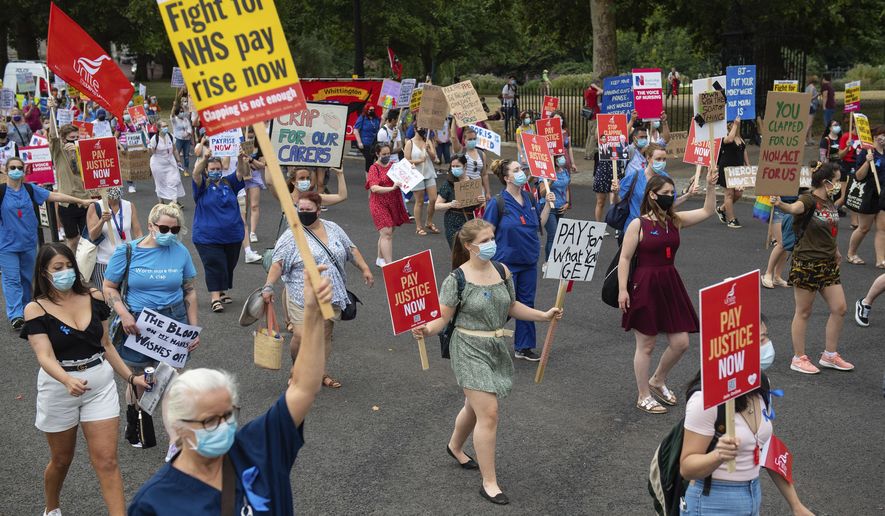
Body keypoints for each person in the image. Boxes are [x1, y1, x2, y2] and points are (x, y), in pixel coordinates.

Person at [128, 272, 333, 515]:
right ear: (179, 427)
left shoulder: (259, 444)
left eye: (228, 414)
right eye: (211, 420)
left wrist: (312, 311)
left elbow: (303, 387)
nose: (225, 426)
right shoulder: (154, 504)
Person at [411, 218, 562, 505]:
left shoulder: (503, 270)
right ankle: (489, 482)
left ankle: (455, 446)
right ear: (468, 246)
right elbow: (442, 317)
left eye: (492, 237)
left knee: (474, 404)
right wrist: (426, 330)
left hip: (494, 346)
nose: (491, 243)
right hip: (467, 347)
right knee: (489, 412)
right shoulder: (456, 279)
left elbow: (512, 305)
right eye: (484, 240)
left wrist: (543, 315)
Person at [21, 243, 151, 516]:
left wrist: (130, 377)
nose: (65, 272)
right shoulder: (35, 309)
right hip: (58, 388)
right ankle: (52, 508)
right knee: (61, 459)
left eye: (69, 266)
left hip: (99, 383)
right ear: (44, 273)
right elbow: (44, 356)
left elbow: (106, 344)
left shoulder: (94, 297)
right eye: (58, 268)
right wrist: (66, 380)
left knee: (107, 461)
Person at [618, 170, 718, 414]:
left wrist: (712, 186)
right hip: (645, 283)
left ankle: (658, 379)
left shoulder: (675, 220)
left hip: (670, 282)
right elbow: (625, 257)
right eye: (665, 193)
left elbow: (707, 211)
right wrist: (623, 290)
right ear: (652, 195)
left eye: (672, 193)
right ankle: (643, 395)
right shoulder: (638, 224)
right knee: (647, 345)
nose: (670, 197)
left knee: (681, 342)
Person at [263, 191, 373, 389]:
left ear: (319, 211)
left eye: (308, 209)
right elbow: (278, 263)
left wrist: (365, 268)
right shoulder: (291, 236)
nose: (303, 212)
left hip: (329, 293)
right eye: (300, 209)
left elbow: (351, 249)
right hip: (300, 294)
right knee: (301, 335)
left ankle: (320, 372)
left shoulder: (333, 228)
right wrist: (268, 286)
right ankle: (296, 370)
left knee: (324, 335)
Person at [680, 372, 814, 516]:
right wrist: (718, 455)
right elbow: (686, 468)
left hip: (753, 493)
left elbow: (766, 448)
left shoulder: (761, 384)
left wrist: (796, 505)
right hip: (712, 503)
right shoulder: (705, 399)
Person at [771, 162, 854, 374]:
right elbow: (794, 209)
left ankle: (830, 355)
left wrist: (835, 250)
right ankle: (798, 358)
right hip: (806, 263)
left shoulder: (830, 201)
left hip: (828, 263)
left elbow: (830, 229)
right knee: (804, 311)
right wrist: (781, 204)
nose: (838, 184)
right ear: (825, 182)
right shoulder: (808, 199)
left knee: (840, 308)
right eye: (836, 181)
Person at [103, 203, 199, 372]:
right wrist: (124, 315)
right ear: (150, 226)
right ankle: (136, 400)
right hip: (138, 321)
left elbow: (189, 291)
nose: (169, 234)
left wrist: (193, 330)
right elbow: (109, 287)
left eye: (174, 230)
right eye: (163, 228)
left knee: (170, 376)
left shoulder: (181, 251)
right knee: (140, 376)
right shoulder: (127, 251)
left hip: (173, 319)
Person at [1, 157, 91, 329]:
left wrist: (80, 201)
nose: (16, 170)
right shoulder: (2, 191)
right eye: (12, 167)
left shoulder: (29, 189)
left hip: (28, 243)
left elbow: (54, 196)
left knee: (27, 279)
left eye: (19, 167)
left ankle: (27, 309)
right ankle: (16, 315)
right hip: (6, 246)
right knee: (11, 279)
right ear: (6, 170)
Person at [483, 159, 556, 361]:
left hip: (529, 261)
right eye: (516, 170)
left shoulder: (529, 198)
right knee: (503, 304)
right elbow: (486, 233)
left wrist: (548, 206)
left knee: (526, 303)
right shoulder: (497, 203)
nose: (522, 172)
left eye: (522, 169)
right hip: (505, 264)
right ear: (506, 178)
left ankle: (523, 346)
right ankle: (486, 340)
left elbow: (538, 224)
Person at [191, 145, 246, 314]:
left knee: (228, 265)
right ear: (207, 170)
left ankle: (222, 291)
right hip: (207, 237)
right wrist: (205, 158)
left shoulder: (229, 183)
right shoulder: (202, 186)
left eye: (218, 168)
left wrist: (241, 159)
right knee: (214, 264)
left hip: (233, 235)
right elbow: (195, 173)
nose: (215, 171)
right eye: (212, 169)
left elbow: (241, 173)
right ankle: (215, 297)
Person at [615, 143, 692, 241]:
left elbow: (670, 204)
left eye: (664, 159)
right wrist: (615, 193)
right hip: (634, 230)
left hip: (656, 231)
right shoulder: (634, 177)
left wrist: (688, 195)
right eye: (658, 159)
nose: (662, 162)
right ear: (648, 158)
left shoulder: (666, 179)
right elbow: (618, 201)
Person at [48, 97, 89, 251]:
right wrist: (51, 110)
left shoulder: (83, 151)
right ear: (64, 139)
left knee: (88, 240)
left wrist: (79, 151)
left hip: (84, 200)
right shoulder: (58, 152)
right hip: (67, 202)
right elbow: (53, 136)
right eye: (72, 139)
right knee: (72, 240)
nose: (75, 141)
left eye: (77, 138)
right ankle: (72, 266)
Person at [84, 187, 144, 286]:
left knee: (126, 295)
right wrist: (102, 221)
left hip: (126, 260)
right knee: (105, 297)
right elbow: (93, 236)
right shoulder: (95, 206)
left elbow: (138, 233)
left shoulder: (129, 206)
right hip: (104, 262)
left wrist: (140, 253)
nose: (115, 189)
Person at [366, 143, 410, 265]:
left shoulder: (394, 166)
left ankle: (380, 259)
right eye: (384, 154)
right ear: (377, 154)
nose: (387, 156)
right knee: (387, 233)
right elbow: (374, 188)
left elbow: (407, 177)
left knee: (386, 232)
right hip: (378, 204)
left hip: (393, 203)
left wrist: (411, 171)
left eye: (388, 154)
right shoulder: (373, 169)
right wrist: (391, 188)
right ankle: (389, 264)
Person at [848, 127, 885, 268]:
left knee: (882, 228)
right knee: (864, 227)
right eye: (882, 135)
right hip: (869, 194)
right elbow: (858, 176)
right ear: (875, 137)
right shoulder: (867, 151)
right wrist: (867, 161)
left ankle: (880, 260)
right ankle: (851, 253)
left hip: (882, 194)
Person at [435, 155, 486, 248]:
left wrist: (481, 201)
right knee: (457, 250)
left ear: (465, 166)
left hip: (470, 222)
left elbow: (480, 206)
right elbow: (437, 206)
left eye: (457, 166)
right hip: (452, 222)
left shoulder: (473, 183)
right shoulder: (448, 184)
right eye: (452, 166)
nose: (454, 169)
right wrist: (450, 204)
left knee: (470, 250)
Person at [404, 127, 439, 236]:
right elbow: (406, 160)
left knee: (433, 199)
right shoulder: (410, 143)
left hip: (429, 173)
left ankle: (429, 222)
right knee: (419, 201)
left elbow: (434, 158)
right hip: (416, 175)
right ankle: (419, 227)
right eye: (420, 127)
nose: (423, 129)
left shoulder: (428, 140)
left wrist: (429, 150)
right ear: (415, 129)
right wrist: (419, 161)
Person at [715, 117, 749, 228]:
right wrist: (734, 124)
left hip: (738, 170)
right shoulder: (724, 137)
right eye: (730, 124)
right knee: (729, 194)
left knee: (738, 193)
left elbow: (743, 151)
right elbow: (730, 140)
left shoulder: (739, 137)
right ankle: (731, 219)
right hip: (727, 169)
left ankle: (721, 209)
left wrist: (747, 165)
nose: (734, 125)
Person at [539, 154, 571, 264]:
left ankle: (556, 261)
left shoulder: (565, 171)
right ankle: (548, 263)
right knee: (553, 235)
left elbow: (566, 189)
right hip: (548, 208)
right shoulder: (545, 172)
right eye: (559, 157)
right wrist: (551, 180)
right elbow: (542, 193)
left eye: (562, 156)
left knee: (559, 236)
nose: (562, 158)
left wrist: (567, 203)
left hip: (561, 208)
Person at [149, 119, 185, 206]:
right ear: (158, 128)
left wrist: (178, 160)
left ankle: (174, 201)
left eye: (166, 126)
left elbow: (175, 149)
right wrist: (150, 148)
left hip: (170, 162)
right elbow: (152, 153)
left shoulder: (170, 136)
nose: (166, 128)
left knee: (174, 180)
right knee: (160, 182)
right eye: (163, 126)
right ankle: (161, 201)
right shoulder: (154, 139)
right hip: (158, 163)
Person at [451, 126, 492, 198]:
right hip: (463, 188)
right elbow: (454, 138)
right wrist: (454, 120)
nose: (472, 141)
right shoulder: (461, 151)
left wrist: (487, 192)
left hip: (478, 189)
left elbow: (484, 174)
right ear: (464, 140)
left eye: (474, 139)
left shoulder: (481, 154)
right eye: (470, 139)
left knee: (479, 209)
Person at [243, 144, 267, 245]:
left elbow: (263, 165)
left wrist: (251, 160)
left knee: (254, 205)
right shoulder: (239, 145)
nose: (250, 136)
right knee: (243, 207)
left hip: (254, 177)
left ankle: (252, 232)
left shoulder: (259, 149)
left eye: (253, 134)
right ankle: (243, 231)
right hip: (242, 177)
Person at [171, 90, 194, 172]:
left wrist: (188, 133)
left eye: (182, 111)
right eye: (180, 112)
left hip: (187, 140)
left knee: (186, 156)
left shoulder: (186, 119)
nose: (182, 113)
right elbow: (172, 114)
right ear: (177, 113)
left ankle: (186, 169)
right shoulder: (175, 120)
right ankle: (174, 168)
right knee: (176, 154)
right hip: (179, 140)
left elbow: (190, 128)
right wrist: (174, 106)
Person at [354, 105, 381, 172]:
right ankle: (368, 178)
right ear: (366, 110)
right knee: (369, 159)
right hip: (365, 143)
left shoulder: (376, 119)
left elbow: (379, 128)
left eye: (373, 110)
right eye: (370, 110)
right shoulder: (362, 118)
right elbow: (356, 130)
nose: (372, 111)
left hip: (375, 143)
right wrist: (359, 142)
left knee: (379, 159)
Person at [583, 80, 603, 160]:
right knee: (593, 136)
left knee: (589, 135)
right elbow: (602, 91)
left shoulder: (587, 92)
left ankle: (586, 153)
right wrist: (596, 86)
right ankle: (590, 154)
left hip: (590, 116)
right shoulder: (592, 92)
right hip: (595, 115)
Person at [805, 75, 820, 145]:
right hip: (811, 106)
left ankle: (809, 139)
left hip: (809, 106)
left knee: (810, 124)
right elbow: (810, 97)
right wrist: (817, 95)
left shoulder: (808, 87)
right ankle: (803, 139)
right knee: (809, 124)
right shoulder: (812, 87)